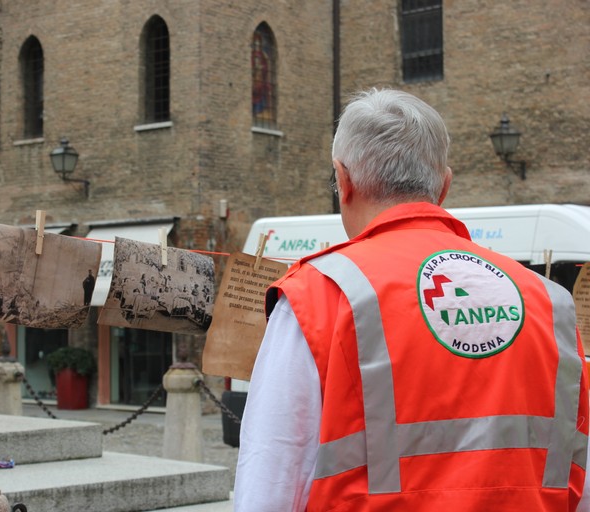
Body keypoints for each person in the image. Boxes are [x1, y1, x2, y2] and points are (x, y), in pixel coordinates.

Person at [234, 88, 589, 511]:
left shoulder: (318, 296)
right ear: (444, 185)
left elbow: (269, 480)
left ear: (342, 180)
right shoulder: (550, 303)